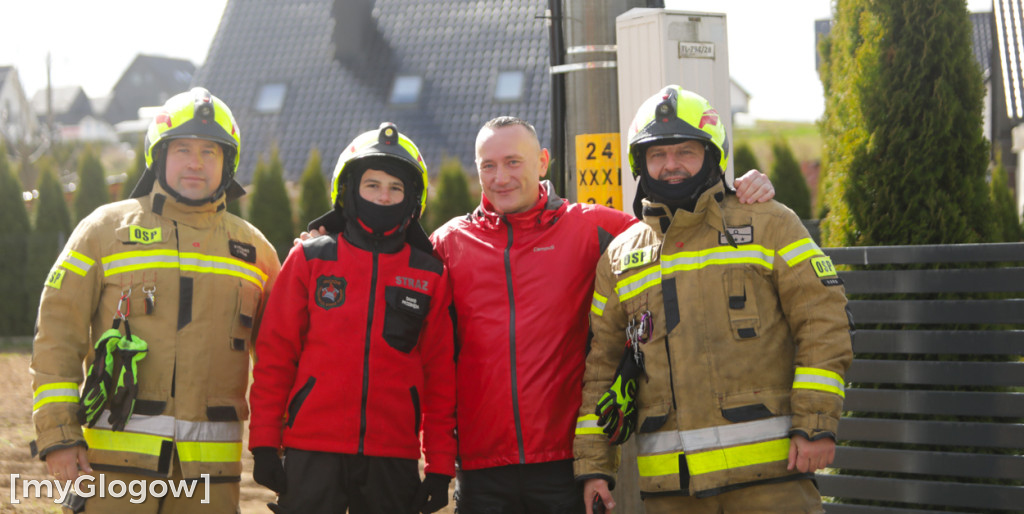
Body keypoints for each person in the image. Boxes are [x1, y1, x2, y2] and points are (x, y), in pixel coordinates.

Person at [429, 115, 775, 513]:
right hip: (480, 468)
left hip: (566, 464)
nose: (500, 177)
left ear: (542, 162)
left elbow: (681, 225)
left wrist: (738, 194)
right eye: (487, 165)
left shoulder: (593, 228)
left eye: (512, 162)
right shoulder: (450, 243)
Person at [574, 86, 853, 513]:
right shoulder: (619, 257)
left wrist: (816, 425)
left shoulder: (769, 222)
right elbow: (601, 368)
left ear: (712, 155)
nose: (671, 166)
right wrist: (596, 465)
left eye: (686, 151)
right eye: (657, 155)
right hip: (674, 493)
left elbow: (823, 323)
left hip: (773, 481)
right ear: (640, 164)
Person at [30, 87, 280, 513]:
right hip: (112, 475)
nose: (196, 163)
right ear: (158, 155)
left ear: (228, 163)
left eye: (210, 152)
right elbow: (57, 332)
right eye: (182, 149)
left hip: (210, 485)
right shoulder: (103, 231)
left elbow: (283, 360)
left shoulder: (257, 252)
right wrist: (60, 437)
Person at [248, 123, 455, 514]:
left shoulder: (431, 274)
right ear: (348, 191)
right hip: (311, 449)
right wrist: (263, 443)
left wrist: (441, 465)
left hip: (393, 456)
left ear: (413, 198)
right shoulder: (309, 259)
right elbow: (276, 356)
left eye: (396, 188)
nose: (384, 196)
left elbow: (441, 375)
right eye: (372, 185)